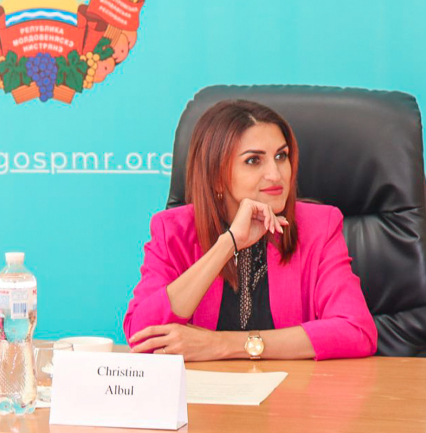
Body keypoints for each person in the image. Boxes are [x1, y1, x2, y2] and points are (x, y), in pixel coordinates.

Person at [123, 100, 377, 361]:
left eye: (281, 156)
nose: (276, 175)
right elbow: (142, 337)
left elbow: (356, 331)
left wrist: (224, 344)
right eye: (254, 160)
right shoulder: (173, 231)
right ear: (216, 176)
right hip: (203, 387)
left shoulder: (319, 226)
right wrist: (228, 244)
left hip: (292, 385)